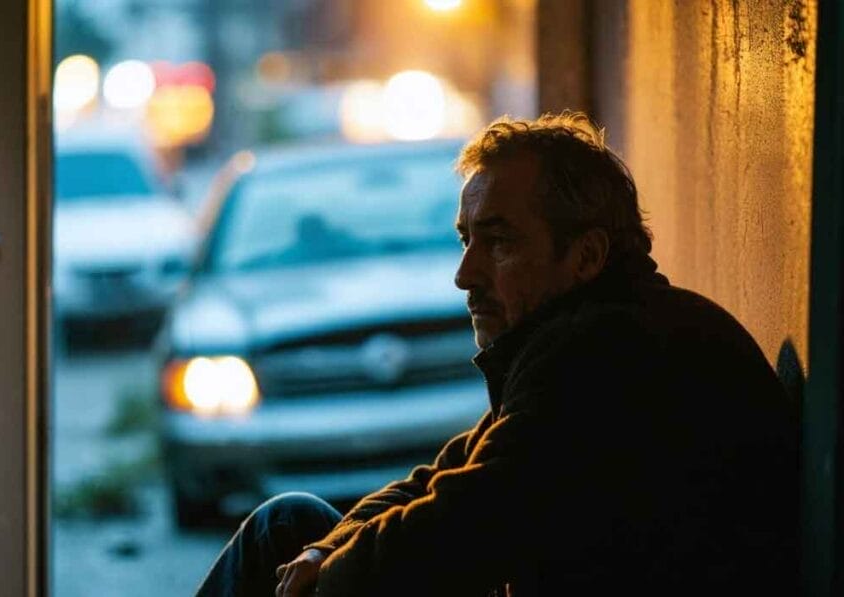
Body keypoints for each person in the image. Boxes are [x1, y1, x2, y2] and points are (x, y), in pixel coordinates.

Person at [194, 112, 799, 597]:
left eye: (499, 242)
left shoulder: (611, 352)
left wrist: (326, 579)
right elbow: (445, 476)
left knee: (286, 538)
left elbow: (468, 523)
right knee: (293, 528)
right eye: (466, 240)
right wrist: (326, 551)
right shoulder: (593, 330)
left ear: (585, 256)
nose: (465, 275)